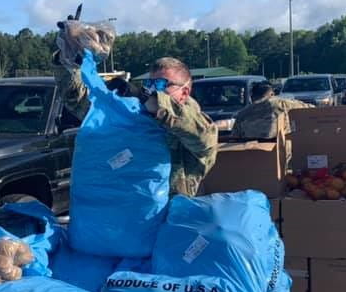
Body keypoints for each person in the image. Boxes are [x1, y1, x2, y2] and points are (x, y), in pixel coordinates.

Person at [56, 56, 218, 196]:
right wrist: (66, 59)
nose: (153, 90)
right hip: (132, 215)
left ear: (185, 92)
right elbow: (81, 104)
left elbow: (201, 138)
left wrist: (145, 98)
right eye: (149, 84)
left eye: (161, 85)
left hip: (173, 221)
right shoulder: (138, 117)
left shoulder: (197, 127)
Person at [230, 81, 312, 140]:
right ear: (272, 94)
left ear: (252, 97)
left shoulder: (242, 114)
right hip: (280, 151)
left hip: (251, 154)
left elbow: (235, 138)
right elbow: (311, 109)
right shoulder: (283, 104)